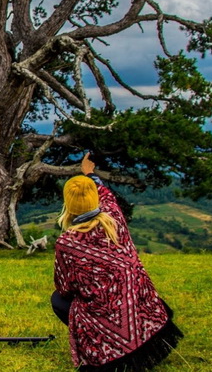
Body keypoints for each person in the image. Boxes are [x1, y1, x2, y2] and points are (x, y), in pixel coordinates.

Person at [51, 153, 183, 371]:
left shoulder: (67, 243)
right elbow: (106, 195)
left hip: (108, 320)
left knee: (58, 300)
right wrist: (90, 173)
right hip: (140, 308)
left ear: (68, 204)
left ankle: (106, 339)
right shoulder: (113, 218)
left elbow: (65, 287)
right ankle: (144, 339)